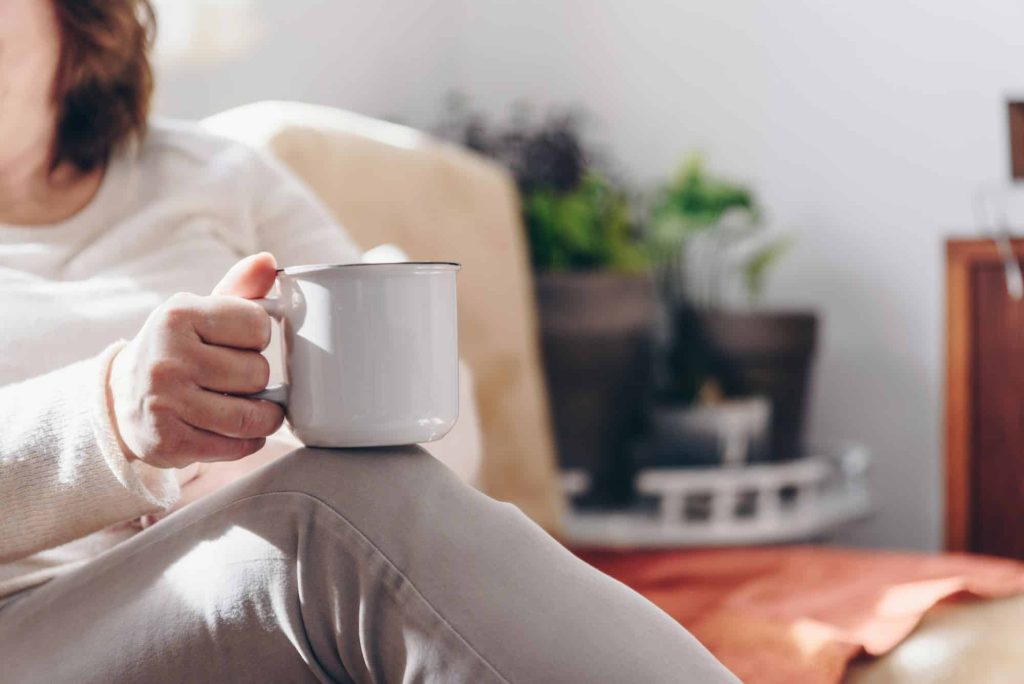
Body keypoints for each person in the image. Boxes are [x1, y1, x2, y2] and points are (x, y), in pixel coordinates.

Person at [0, 0, 738, 681]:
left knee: (345, 501)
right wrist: (111, 420)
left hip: (245, 575)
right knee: (322, 515)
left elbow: (423, 418)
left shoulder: (216, 177)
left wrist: (247, 473)